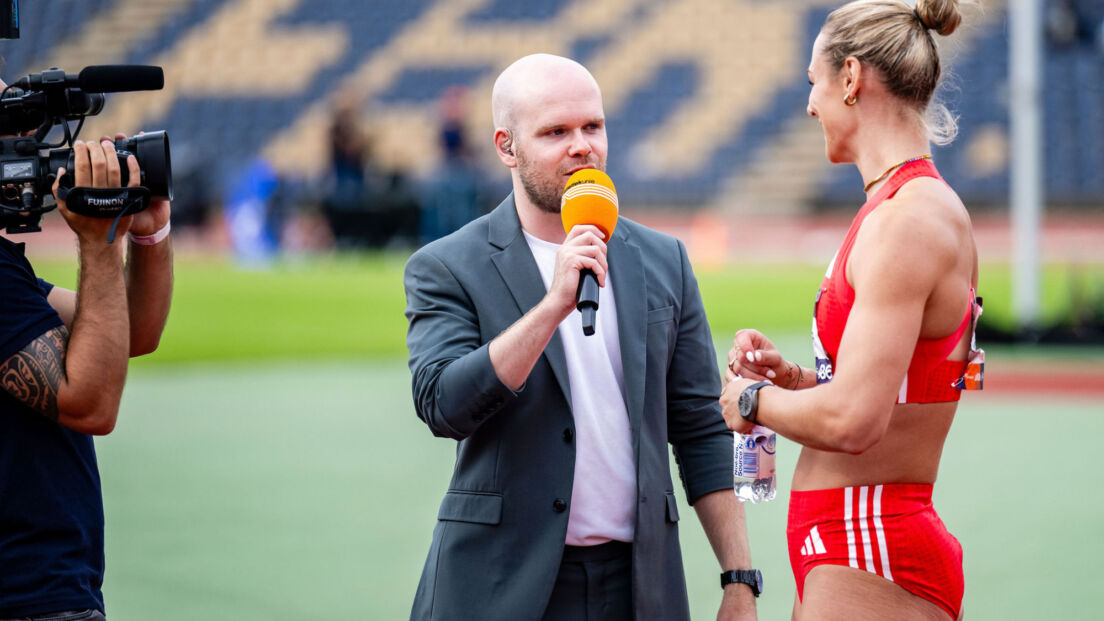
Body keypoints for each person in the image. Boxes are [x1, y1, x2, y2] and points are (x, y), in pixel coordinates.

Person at [403, 54, 758, 621]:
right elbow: (444, 405)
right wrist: (551, 308)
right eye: (556, 132)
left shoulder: (664, 261)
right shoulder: (447, 266)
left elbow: (698, 425)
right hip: (500, 584)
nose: (582, 146)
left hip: (640, 586)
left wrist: (739, 579)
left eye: (593, 126)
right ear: (506, 147)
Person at [720, 1, 980, 619]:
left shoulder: (906, 221)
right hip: (855, 542)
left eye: (813, 82)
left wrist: (750, 403)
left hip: (871, 540)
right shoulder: (898, 208)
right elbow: (887, 392)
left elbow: (856, 422)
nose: (810, 105)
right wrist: (794, 383)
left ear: (851, 78)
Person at [0, 128, 174, 618]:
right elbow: (90, 402)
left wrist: (147, 231)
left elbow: (131, 333)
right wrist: (99, 242)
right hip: (26, 595)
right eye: (11, 144)